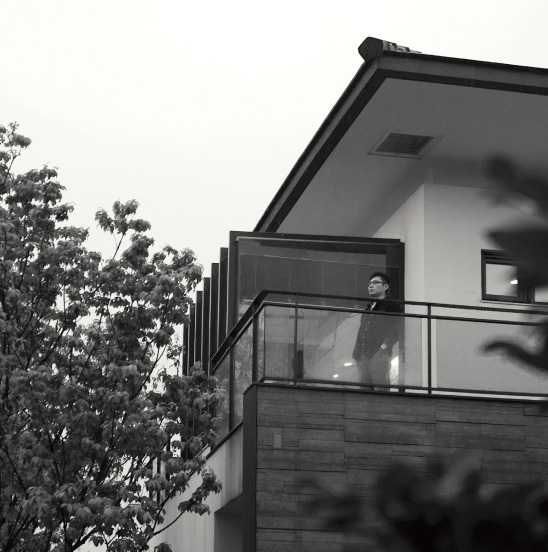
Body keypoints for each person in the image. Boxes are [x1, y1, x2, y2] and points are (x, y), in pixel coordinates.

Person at [352, 272, 402, 388]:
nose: (371, 285)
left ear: (385, 286)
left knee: (380, 391)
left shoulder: (391, 306)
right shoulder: (368, 309)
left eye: (375, 283)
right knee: (364, 391)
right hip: (362, 355)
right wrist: (357, 353)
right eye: (369, 284)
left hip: (378, 354)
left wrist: (383, 348)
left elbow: (395, 328)